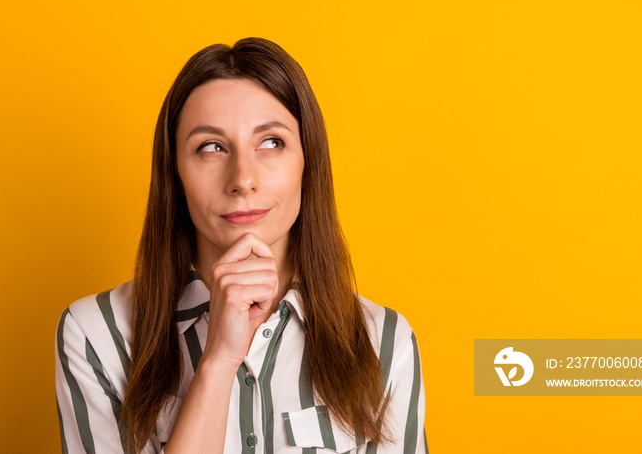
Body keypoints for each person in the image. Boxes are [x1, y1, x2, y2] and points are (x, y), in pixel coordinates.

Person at [55, 37, 427, 454]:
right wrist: (216, 362)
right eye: (211, 147)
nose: (243, 179)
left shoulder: (383, 342)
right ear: (175, 174)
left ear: (308, 162)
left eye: (271, 142)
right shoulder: (97, 334)